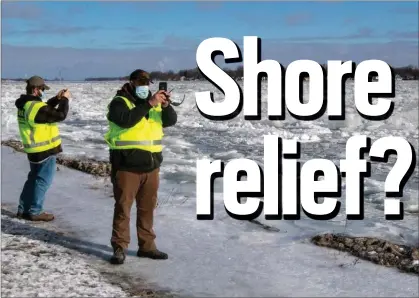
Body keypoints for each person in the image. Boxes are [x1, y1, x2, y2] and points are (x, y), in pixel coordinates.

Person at [104, 69, 177, 265]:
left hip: (151, 166)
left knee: (147, 209)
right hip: (127, 166)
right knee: (123, 208)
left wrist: (166, 105)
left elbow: (170, 121)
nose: (144, 86)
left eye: (147, 83)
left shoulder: (153, 104)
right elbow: (126, 120)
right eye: (140, 82)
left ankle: (147, 247)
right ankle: (119, 247)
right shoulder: (119, 102)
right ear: (132, 82)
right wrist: (149, 103)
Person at [15, 75, 71, 222]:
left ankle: (23, 209)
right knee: (42, 181)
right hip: (44, 150)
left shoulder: (26, 105)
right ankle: (35, 211)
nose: (42, 92)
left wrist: (57, 99)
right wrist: (65, 100)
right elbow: (60, 115)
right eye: (41, 89)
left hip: (33, 149)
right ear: (35, 90)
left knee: (33, 179)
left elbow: (45, 108)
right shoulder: (35, 107)